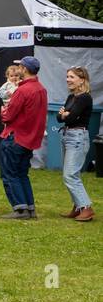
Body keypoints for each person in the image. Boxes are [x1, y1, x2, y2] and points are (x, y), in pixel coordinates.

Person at [0, 56, 48, 220]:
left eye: (19, 66)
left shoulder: (22, 90)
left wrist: (3, 111)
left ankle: (20, 209)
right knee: (21, 174)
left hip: (16, 136)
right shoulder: (41, 88)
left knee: (10, 174)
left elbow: (8, 116)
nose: (17, 68)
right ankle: (30, 208)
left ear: (25, 69)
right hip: (29, 138)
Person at [57, 66, 93, 221]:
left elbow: (71, 118)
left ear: (82, 80)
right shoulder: (71, 97)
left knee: (70, 175)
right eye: (67, 76)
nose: (67, 80)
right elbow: (60, 118)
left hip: (77, 137)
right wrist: (65, 115)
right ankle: (78, 206)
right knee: (72, 174)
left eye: (71, 77)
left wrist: (66, 115)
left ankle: (86, 208)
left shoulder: (85, 97)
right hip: (67, 135)